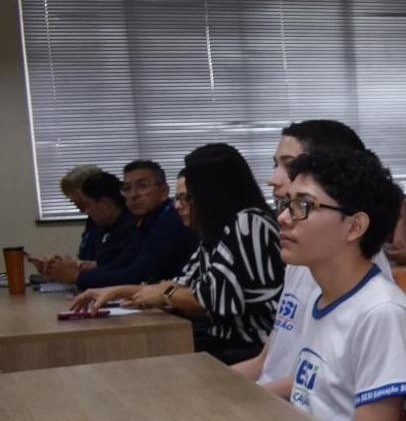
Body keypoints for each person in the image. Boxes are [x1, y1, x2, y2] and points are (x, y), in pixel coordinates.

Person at [266, 147, 406, 421]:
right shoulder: (322, 296)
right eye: (286, 204)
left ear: (354, 226)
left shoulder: (382, 314)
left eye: (303, 205)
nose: (283, 218)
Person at [73, 143, 283, 364]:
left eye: (187, 197)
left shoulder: (249, 223)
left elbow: (210, 300)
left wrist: (165, 294)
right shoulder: (213, 235)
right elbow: (178, 285)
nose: (178, 206)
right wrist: (115, 291)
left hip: (253, 349)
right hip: (223, 343)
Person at [230, 119, 392, 386]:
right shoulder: (302, 256)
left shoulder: (347, 264)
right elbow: (265, 362)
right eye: (276, 164)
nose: (273, 179)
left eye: (289, 165)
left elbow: (312, 384)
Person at [54, 160, 197, 289]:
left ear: (164, 191)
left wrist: (77, 277)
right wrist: (86, 269)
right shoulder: (144, 221)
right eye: (127, 188)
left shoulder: (171, 219)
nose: (133, 195)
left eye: (142, 186)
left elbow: (135, 276)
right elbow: (123, 263)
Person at [34, 171, 136, 279]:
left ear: (105, 203)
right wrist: (62, 265)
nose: (84, 210)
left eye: (87, 204)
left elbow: (115, 270)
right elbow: (94, 261)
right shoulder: (102, 224)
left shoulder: (128, 227)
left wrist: (75, 274)